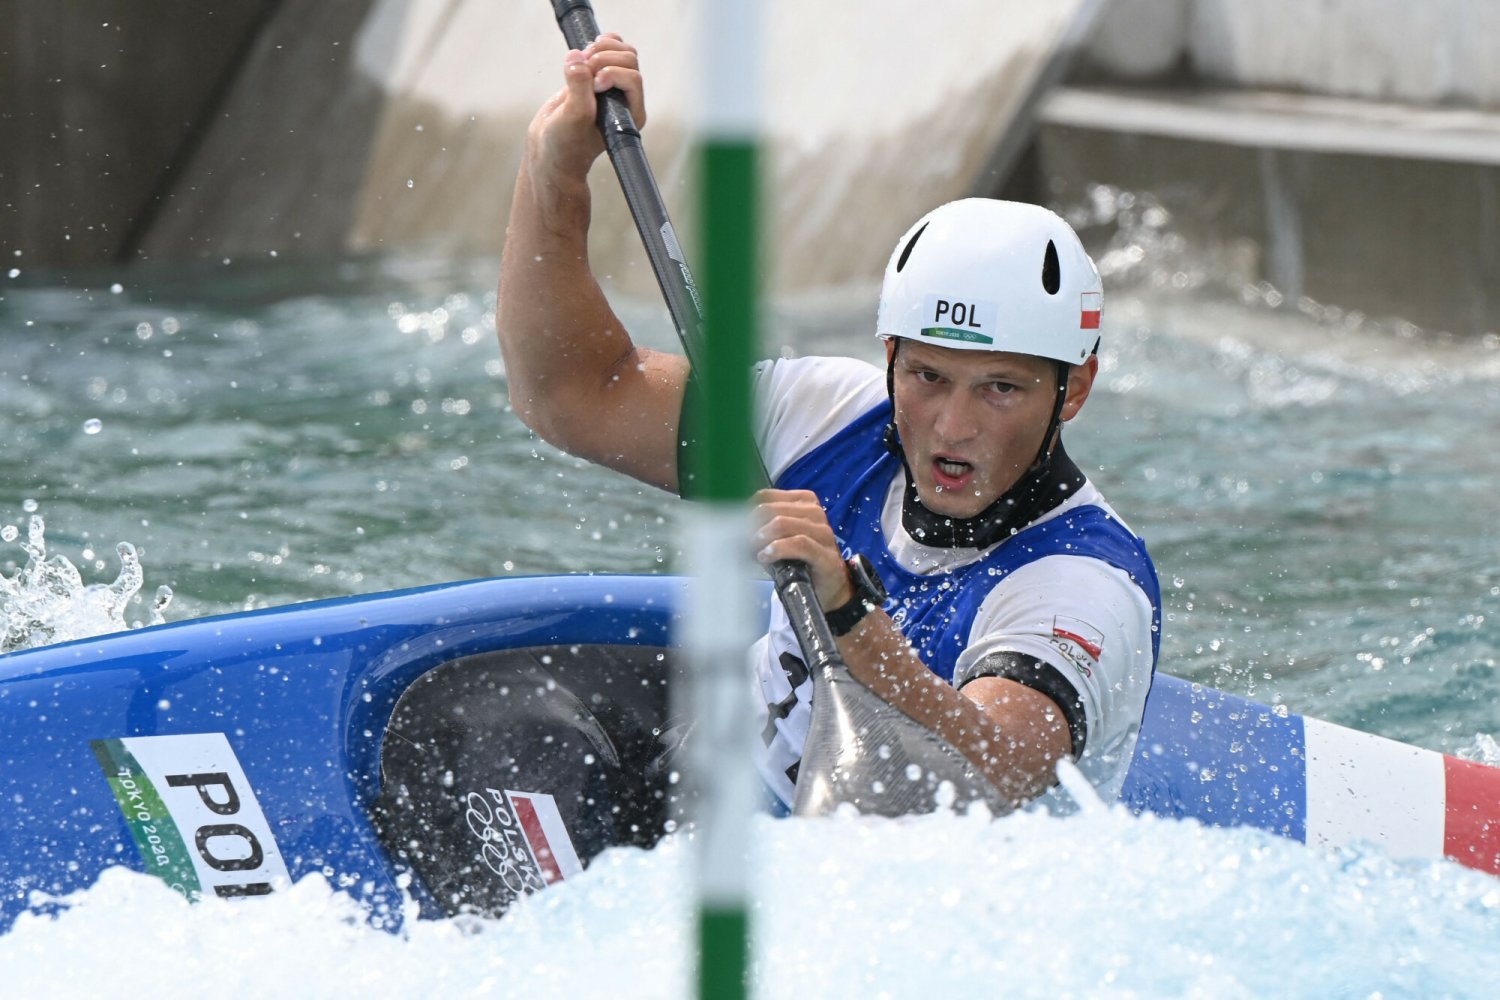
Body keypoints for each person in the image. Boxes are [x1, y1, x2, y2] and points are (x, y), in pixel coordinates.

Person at [497, 35, 1160, 815]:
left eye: (1001, 390)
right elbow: (572, 393)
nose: (952, 425)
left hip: (906, 894)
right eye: (927, 377)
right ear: (889, 357)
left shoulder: (1079, 583)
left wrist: (850, 615)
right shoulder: (829, 419)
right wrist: (557, 174)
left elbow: (1000, 771)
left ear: (1073, 389)